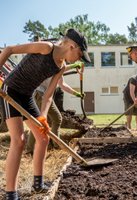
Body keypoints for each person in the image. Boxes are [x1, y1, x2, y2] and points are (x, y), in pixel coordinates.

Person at [0, 28, 91, 200]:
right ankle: (11, 193)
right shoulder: (46, 48)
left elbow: (48, 96)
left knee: (43, 138)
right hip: (10, 90)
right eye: (80, 53)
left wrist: (43, 116)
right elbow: (9, 49)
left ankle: (38, 184)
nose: (80, 58)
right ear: (71, 46)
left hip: (27, 96)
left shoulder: (61, 67)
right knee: (19, 141)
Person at [26, 75, 84, 153]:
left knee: (44, 121)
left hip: (42, 94)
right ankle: (55, 145)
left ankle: (31, 149)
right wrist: (73, 66)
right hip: (42, 94)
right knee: (51, 120)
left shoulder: (60, 68)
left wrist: (76, 94)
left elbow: (62, 84)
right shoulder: (54, 66)